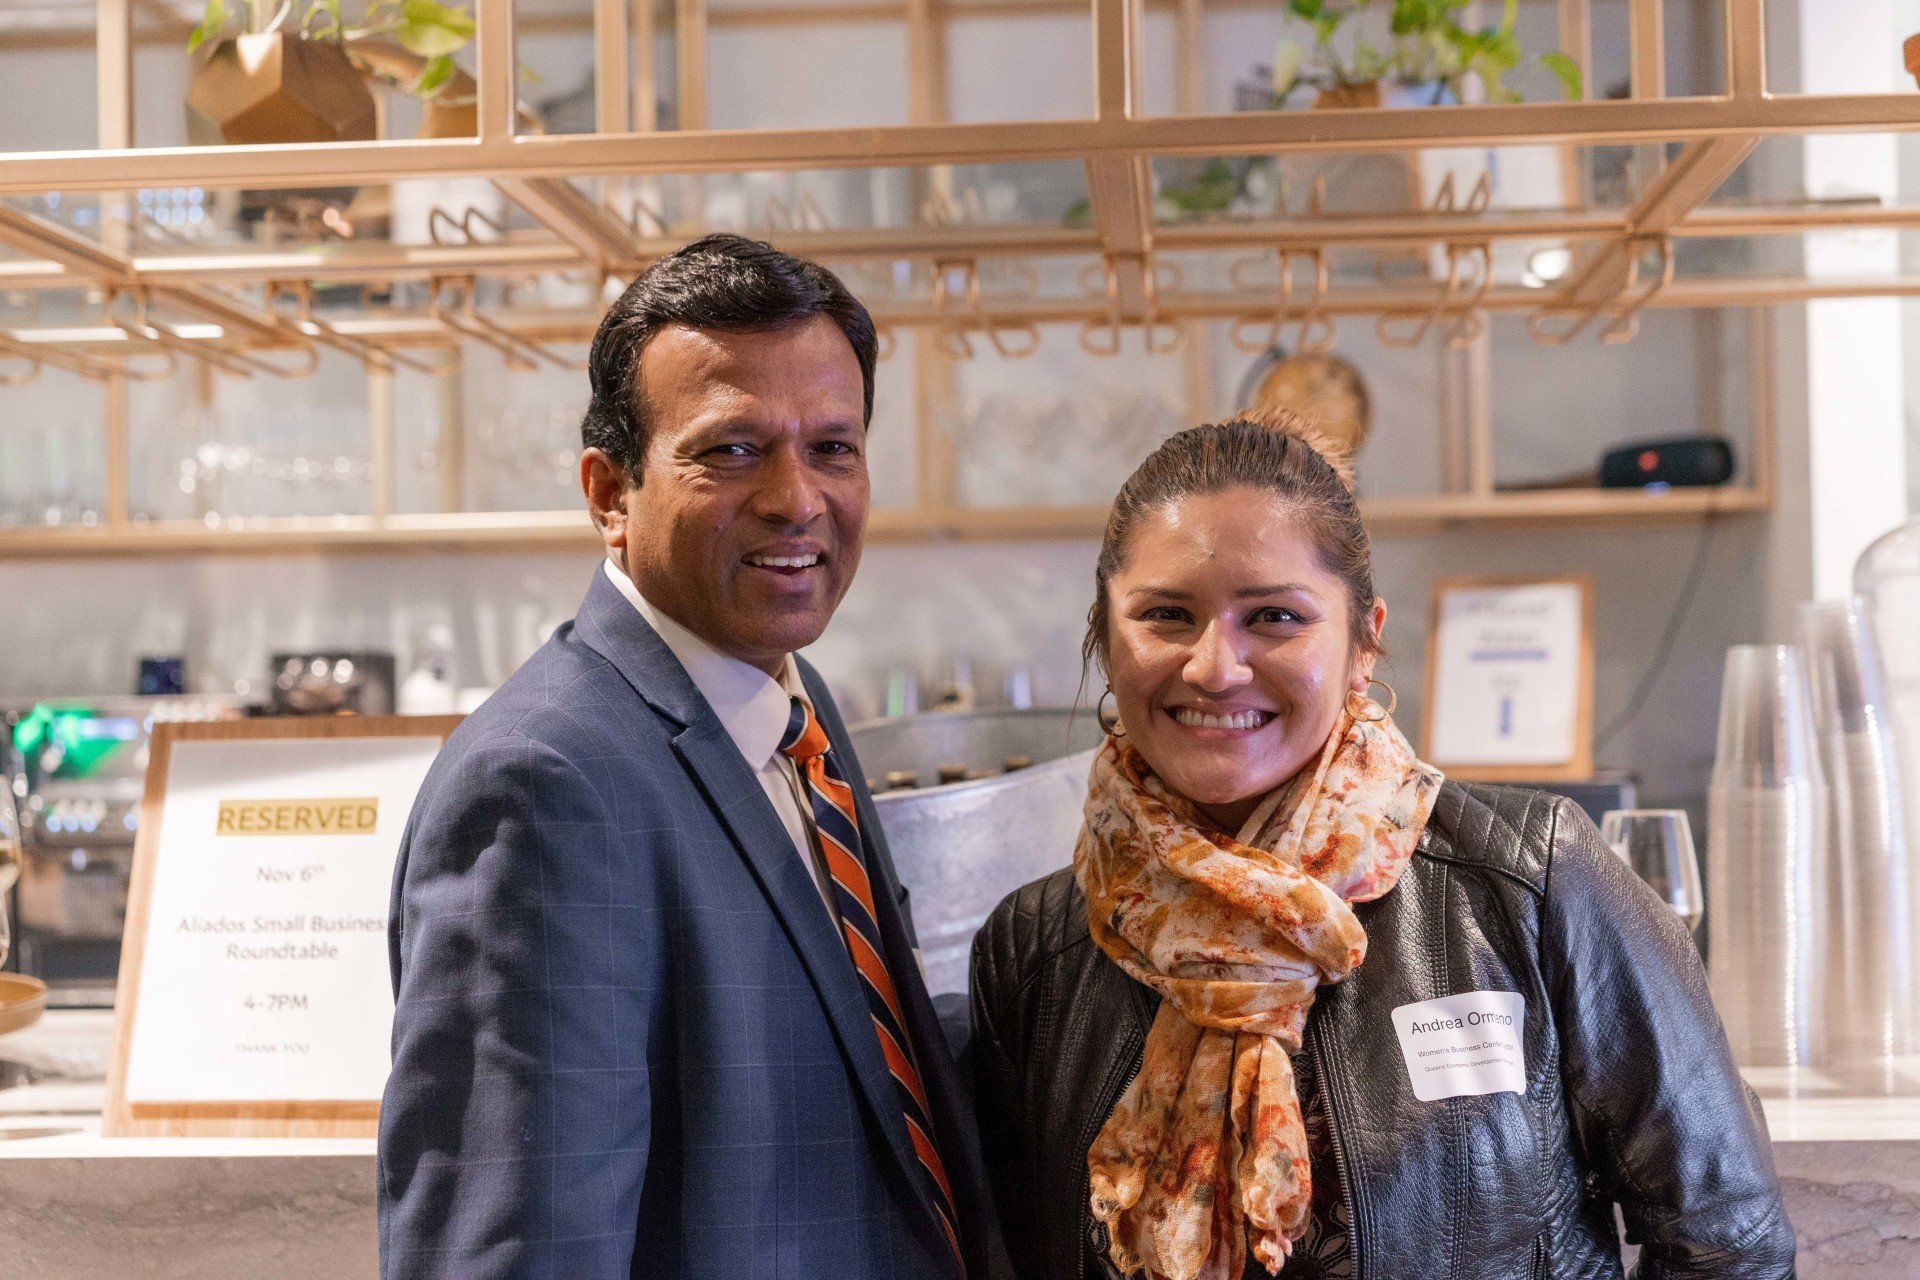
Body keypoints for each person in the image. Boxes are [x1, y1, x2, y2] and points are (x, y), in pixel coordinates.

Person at [969, 415, 1795, 1280]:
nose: (1216, 667)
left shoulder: (1528, 880)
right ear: (1106, 637)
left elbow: (1728, 1245)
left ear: (1364, 642)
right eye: (1167, 615)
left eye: (1275, 617)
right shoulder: (1033, 953)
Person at [380, 234, 1004, 1280]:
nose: (796, 497)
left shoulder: (794, 708)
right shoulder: (544, 786)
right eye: (731, 449)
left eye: (833, 447)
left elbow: (851, 1057)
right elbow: (519, 1253)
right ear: (609, 494)